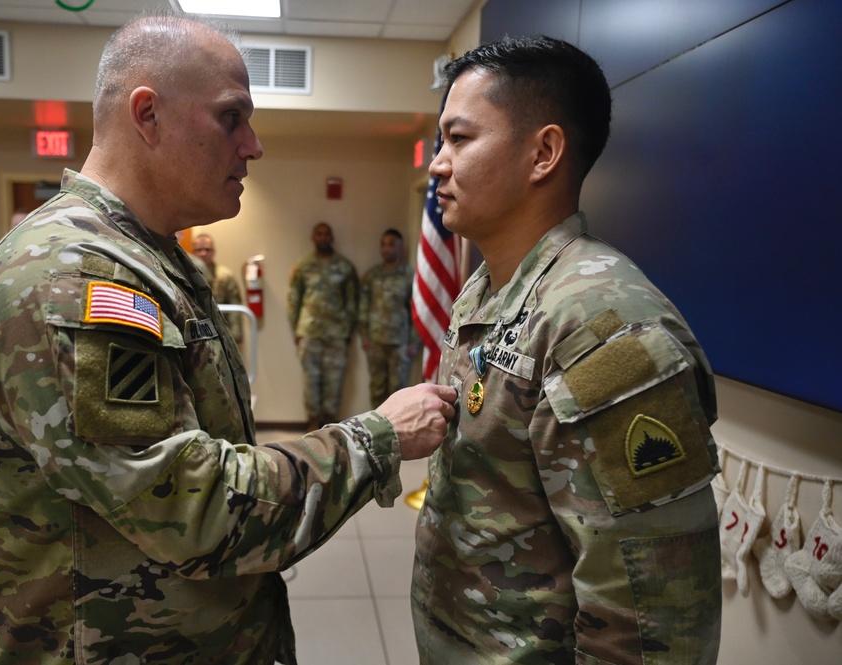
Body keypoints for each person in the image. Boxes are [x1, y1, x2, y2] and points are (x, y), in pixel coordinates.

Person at [0, 13, 456, 665]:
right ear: (148, 116)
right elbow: (196, 509)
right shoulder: (74, 275)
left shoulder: (150, 257)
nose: (253, 145)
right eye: (231, 117)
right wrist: (378, 436)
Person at [411, 35, 722, 664]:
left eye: (459, 139)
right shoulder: (488, 288)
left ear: (543, 153)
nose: (437, 165)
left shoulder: (603, 326)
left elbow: (652, 617)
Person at [287, 221, 359, 430]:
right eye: (319, 233)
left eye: (327, 234)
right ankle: (313, 421)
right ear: (313, 237)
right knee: (311, 380)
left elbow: (352, 301)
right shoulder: (303, 266)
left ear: (332, 238)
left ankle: (329, 423)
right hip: (309, 332)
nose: (323, 237)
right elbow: (294, 299)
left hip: (337, 334)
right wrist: (296, 329)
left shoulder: (345, 267)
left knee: (334, 381)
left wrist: (347, 330)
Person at [357, 228, 420, 408]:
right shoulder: (372, 275)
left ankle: (396, 425)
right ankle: (375, 424)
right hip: (375, 340)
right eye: (383, 245)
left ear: (400, 247)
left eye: (391, 244)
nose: (386, 249)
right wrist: (364, 336)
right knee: (377, 388)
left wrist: (414, 342)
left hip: (400, 342)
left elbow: (416, 309)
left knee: (398, 390)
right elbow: (363, 306)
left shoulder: (408, 275)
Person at [193, 232, 245, 343]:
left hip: (221, 329)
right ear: (193, 252)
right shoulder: (185, 275)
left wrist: (235, 335)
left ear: (213, 252)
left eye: (207, 249)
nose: (203, 253)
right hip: (196, 331)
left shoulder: (225, 275)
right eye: (199, 250)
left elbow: (234, 304)